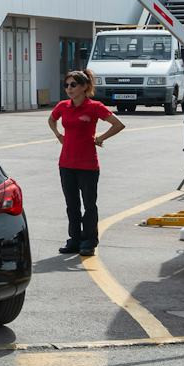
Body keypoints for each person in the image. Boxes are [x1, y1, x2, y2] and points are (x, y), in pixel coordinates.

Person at [47, 68, 125, 258]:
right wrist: (58, 135)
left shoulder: (95, 107)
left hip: (87, 165)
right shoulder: (63, 106)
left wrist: (101, 138)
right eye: (66, 85)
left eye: (73, 85)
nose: (69, 88)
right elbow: (51, 119)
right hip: (66, 164)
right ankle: (74, 239)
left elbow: (118, 124)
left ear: (84, 87)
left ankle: (89, 241)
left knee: (89, 205)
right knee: (71, 205)